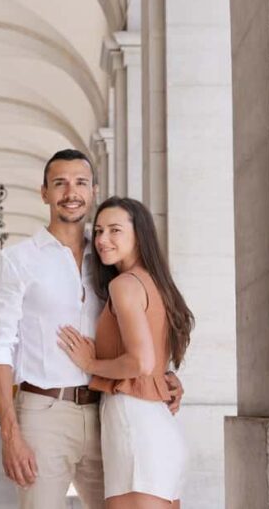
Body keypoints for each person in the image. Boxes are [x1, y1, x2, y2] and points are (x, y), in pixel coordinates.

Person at [0, 150, 184, 509]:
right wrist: (10, 433)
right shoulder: (16, 262)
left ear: (93, 191)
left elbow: (140, 322)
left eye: (80, 183)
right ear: (44, 192)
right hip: (45, 413)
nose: (70, 192)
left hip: (110, 410)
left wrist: (159, 375)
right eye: (59, 183)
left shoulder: (110, 254)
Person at [58, 196, 194, 508]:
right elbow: (153, 360)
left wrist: (90, 362)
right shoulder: (156, 283)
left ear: (139, 234)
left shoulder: (124, 285)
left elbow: (140, 362)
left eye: (115, 230)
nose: (103, 239)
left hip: (134, 426)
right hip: (155, 424)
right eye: (100, 231)